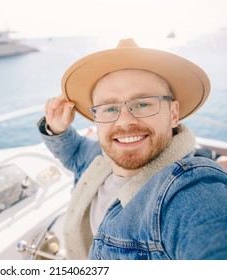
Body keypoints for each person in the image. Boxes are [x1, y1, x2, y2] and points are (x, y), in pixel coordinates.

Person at [37, 38, 227, 260]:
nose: (124, 122)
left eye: (143, 103)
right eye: (109, 108)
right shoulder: (98, 158)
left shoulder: (189, 189)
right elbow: (73, 151)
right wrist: (56, 128)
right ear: (96, 118)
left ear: (174, 114)